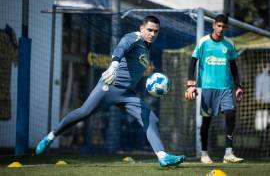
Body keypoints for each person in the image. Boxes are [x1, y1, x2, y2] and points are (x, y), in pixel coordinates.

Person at [36, 16, 185, 167]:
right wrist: (114, 65)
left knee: (150, 118)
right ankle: (51, 136)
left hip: (127, 94)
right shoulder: (133, 37)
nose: (153, 34)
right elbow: (121, 47)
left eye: (156, 31)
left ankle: (162, 156)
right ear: (141, 28)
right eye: (150, 30)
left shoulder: (147, 47)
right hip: (110, 86)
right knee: (84, 112)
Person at [185, 14, 244, 164]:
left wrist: (238, 86)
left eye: (224, 26)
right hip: (207, 88)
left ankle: (228, 153)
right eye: (218, 25)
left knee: (230, 114)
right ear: (213, 25)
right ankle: (204, 153)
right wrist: (191, 84)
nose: (221, 28)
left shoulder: (229, 44)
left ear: (227, 27)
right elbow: (193, 61)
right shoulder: (204, 42)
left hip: (225, 87)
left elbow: (234, 67)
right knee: (206, 121)